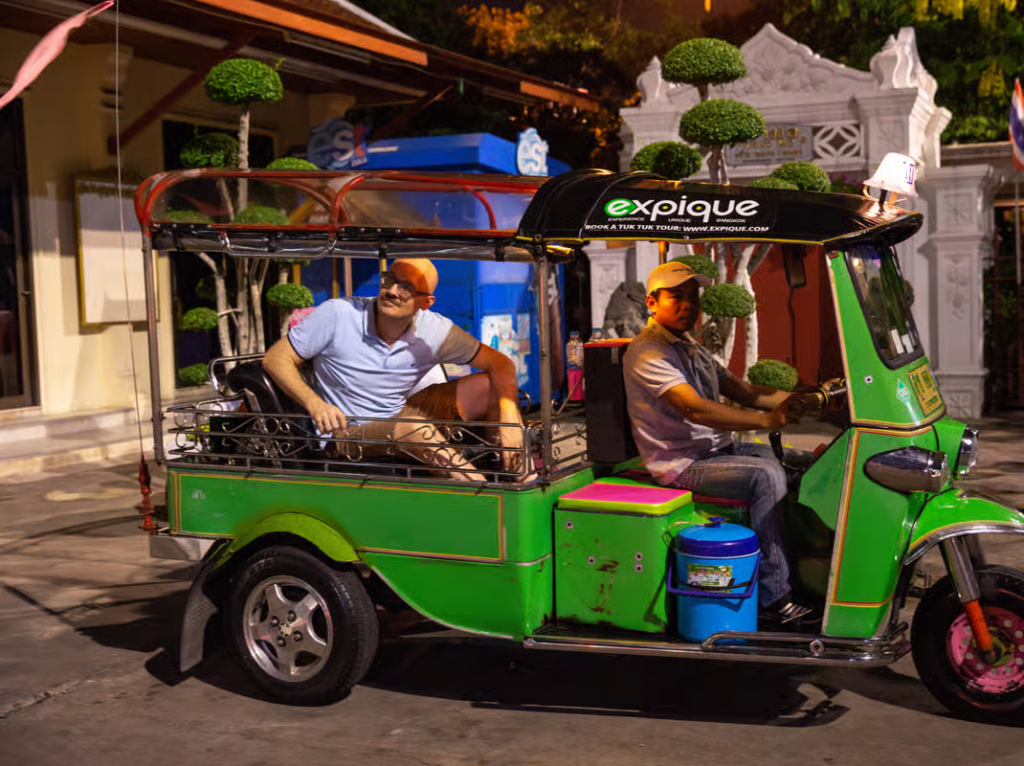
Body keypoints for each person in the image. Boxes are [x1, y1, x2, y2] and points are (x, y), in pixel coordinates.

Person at [623, 261, 820, 625]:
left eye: (693, 298)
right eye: (677, 298)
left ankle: (816, 572)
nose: (688, 306)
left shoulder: (687, 344)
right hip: (682, 463)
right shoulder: (648, 352)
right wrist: (767, 420)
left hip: (717, 451)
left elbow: (743, 390)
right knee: (766, 475)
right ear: (652, 303)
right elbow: (694, 408)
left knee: (805, 463)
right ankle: (775, 599)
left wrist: (804, 398)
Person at [263, 258, 524, 481]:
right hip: (347, 432)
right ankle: (487, 496)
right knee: (411, 429)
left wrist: (509, 419)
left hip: (400, 414)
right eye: (389, 279)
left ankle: (524, 480)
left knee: (490, 388)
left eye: (407, 287)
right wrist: (315, 403)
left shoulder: (436, 330)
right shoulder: (338, 313)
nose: (391, 290)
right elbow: (276, 358)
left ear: (426, 303)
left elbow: (501, 363)